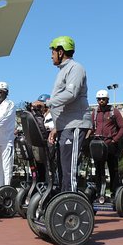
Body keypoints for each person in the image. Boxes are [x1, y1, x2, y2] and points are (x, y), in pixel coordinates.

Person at [32, 36, 92, 192]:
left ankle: (71, 206)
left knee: (69, 170)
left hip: (75, 124)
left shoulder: (75, 68)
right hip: (65, 126)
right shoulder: (62, 71)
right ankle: (62, 203)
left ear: (60, 51)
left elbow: (71, 93)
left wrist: (47, 103)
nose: (51, 55)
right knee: (61, 169)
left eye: (53, 51)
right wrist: (56, 128)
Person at [91, 89, 123, 194]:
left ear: (107, 99)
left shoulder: (114, 111)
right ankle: (99, 192)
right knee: (98, 169)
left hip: (110, 143)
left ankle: (114, 191)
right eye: (99, 99)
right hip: (98, 144)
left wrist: (115, 140)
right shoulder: (95, 112)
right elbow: (92, 128)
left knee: (113, 169)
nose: (101, 101)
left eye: (103, 99)